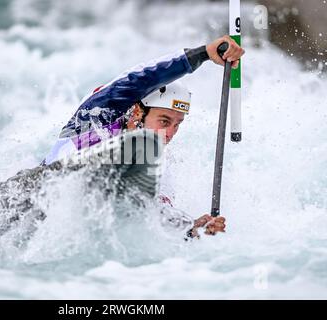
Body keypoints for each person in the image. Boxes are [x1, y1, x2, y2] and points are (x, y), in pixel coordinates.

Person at [42, 35, 245, 238]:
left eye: (177, 125)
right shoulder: (93, 119)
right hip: (34, 193)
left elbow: (158, 214)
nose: (171, 133)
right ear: (138, 112)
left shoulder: (156, 165)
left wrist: (192, 228)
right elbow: (140, 79)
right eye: (164, 122)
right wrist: (203, 54)